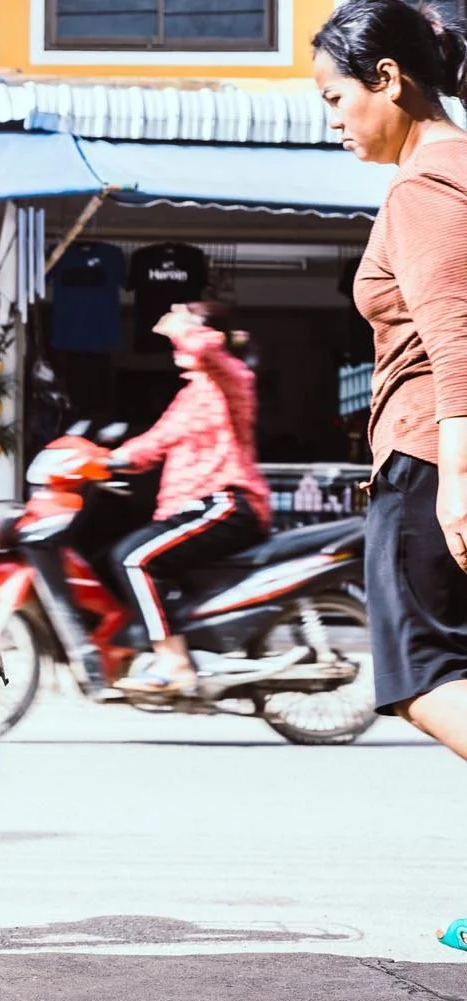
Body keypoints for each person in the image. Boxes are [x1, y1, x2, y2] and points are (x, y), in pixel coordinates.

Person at [312, 0, 467, 952]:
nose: (330, 118)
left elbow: (455, 335)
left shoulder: (425, 186)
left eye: (335, 96)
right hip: (440, 450)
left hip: (428, 455)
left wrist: (457, 470)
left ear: (390, 81)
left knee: (422, 678)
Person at [105, 302, 270, 694]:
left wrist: (184, 325)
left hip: (226, 501)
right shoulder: (190, 394)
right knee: (126, 556)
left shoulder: (233, 378)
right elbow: (154, 443)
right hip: (192, 507)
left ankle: (174, 664)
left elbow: (207, 350)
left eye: (192, 330)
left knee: (133, 558)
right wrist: (99, 459)